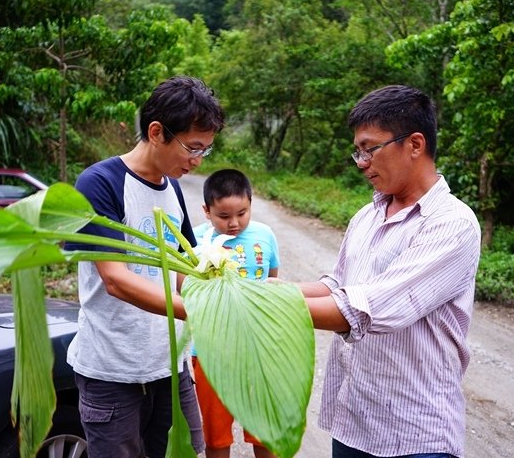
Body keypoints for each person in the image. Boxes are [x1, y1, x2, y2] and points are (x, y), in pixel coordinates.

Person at [297, 85, 481, 458]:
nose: (361, 162)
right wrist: (270, 289)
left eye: (370, 149)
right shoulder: (368, 215)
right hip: (354, 421)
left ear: (415, 144)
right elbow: (338, 285)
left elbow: (372, 306)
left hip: (413, 434)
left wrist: (257, 306)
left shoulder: (451, 223)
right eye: (358, 151)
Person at [64, 75, 225, 458]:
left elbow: (184, 270)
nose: (198, 160)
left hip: (171, 367)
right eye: (193, 147)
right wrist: (206, 312)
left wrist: (222, 293)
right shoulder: (99, 183)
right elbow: (115, 280)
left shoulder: (172, 189)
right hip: (113, 372)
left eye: (206, 150)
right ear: (157, 131)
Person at [191, 169, 279, 458]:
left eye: (242, 213)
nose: (234, 223)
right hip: (210, 350)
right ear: (206, 210)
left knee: (265, 430)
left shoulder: (265, 235)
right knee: (216, 435)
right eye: (223, 216)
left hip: (258, 348)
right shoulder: (197, 242)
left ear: (251, 203)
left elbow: (273, 281)